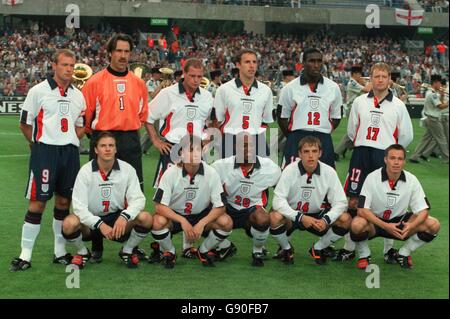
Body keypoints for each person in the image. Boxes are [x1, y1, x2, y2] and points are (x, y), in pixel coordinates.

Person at [10, 49, 86, 272]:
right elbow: (25, 123)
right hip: (45, 152)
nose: (69, 69)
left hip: (69, 154)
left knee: (63, 203)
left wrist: (71, 138)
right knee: (38, 203)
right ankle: (25, 255)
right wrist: (36, 143)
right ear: (54, 66)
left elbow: (82, 123)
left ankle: (59, 252)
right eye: (64, 65)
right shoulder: (38, 91)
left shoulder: (78, 95)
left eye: (72, 65)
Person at [336, 62, 414, 263]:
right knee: (353, 201)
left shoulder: (398, 105)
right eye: (376, 76)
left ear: (390, 80)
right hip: (361, 154)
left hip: (384, 156)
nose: (380, 80)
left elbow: (406, 136)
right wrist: (364, 144)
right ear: (371, 78)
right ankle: (349, 246)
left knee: (386, 200)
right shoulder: (361, 101)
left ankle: (388, 249)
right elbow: (352, 130)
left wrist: (389, 153)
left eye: (383, 76)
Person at [82, 33, 148, 262]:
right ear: (109, 53)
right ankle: (97, 247)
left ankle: (129, 246)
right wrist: (100, 139)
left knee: (134, 192)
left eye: (127, 51)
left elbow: (142, 114)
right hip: (103, 137)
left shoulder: (139, 83)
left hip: (130, 140)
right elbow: (87, 117)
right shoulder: (94, 81)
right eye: (118, 51)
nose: (123, 56)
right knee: (98, 192)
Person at [62, 132, 153, 269]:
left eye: (111, 145)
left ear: (116, 149)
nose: (108, 149)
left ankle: (127, 250)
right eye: (103, 146)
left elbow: (138, 199)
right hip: (91, 221)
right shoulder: (85, 171)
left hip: (117, 218)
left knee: (146, 218)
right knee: (69, 223)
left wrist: (124, 216)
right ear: (96, 150)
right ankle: (82, 252)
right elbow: (78, 207)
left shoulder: (127, 169)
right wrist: (99, 224)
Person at [350, 144, 440, 269]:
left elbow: (423, 210)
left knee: (433, 224)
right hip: (376, 222)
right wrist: (386, 226)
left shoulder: (412, 180)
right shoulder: (372, 178)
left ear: (404, 161)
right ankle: (364, 254)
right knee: (356, 224)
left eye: (400, 159)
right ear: (385, 159)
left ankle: (403, 253)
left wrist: (411, 225)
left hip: (400, 223)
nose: (396, 162)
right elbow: (362, 210)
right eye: (392, 158)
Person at [150, 135, 233, 268]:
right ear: (181, 153)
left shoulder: (211, 173)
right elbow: (159, 206)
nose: (194, 154)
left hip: (201, 214)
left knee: (226, 221)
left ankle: (204, 250)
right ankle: (170, 252)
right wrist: (183, 221)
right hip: (176, 216)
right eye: (190, 150)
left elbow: (220, 206)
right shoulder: (170, 173)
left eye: (198, 150)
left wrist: (202, 223)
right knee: (157, 221)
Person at [270, 136, 350, 265]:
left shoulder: (329, 172)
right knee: (274, 216)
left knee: (345, 219)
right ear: (300, 154)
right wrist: (300, 217)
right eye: (306, 151)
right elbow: (277, 201)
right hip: (294, 215)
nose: (311, 156)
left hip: (317, 215)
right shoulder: (289, 170)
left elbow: (341, 202)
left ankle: (318, 248)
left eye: (314, 151)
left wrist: (326, 219)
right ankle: (286, 249)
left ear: (320, 153)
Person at [211, 133, 281, 266]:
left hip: (252, 211)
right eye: (243, 146)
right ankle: (224, 246)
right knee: (204, 216)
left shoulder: (269, 167)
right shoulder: (220, 166)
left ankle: (258, 251)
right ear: (234, 148)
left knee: (264, 219)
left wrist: (273, 211)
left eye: (251, 146)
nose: (248, 149)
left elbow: (283, 191)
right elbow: (207, 190)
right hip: (228, 209)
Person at [145, 58, 214, 188]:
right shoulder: (168, 93)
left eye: (199, 77)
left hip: (196, 150)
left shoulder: (207, 97)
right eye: (192, 76)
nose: (196, 80)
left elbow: (213, 120)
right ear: (184, 73)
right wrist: (156, 141)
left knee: (195, 191)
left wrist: (208, 138)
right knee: (165, 195)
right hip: (173, 149)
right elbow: (147, 117)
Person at [278, 48, 342, 168]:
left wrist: (323, 130)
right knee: (291, 179)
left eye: (319, 61)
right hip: (297, 138)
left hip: (323, 139)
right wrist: (292, 135)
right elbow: (282, 117)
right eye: (311, 61)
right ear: (303, 63)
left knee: (325, 180)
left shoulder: (333, 87)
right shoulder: (290, 88)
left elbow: (336, 117)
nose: (316, 65)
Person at [214, 49, 273, 158]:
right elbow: (218, 120)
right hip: (231, 139)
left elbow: (266, 120)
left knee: (262, 173)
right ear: (238, 65)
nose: (252, 66)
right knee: (227, 174)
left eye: (254, 62)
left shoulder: (266, 90)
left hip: (256, 139)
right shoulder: (224, 89)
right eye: (247, 62)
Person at [409, 74, 449, 164]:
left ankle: (415, 157)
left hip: (432, 118)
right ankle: (447, 158)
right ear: (435, 83)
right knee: (441, 139)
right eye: (439, 83)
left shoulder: (433, 93)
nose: (440, 86)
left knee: (426, 140)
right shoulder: (432, 94)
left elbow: (441, 103)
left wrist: (442, 95)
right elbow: (441, 106)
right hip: (433, 119)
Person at [334, 65, 371, 161]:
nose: (360, 76)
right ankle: (337, 152)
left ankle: (346, 148)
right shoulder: (352, 83)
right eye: (359, 74)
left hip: (357, 108)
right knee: (353, 131)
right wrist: (370, 82)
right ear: (354, 74)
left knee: (358, 131)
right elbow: (367, 90)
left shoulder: (355, 82)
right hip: (352, 108)